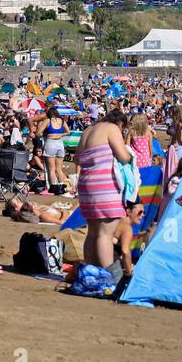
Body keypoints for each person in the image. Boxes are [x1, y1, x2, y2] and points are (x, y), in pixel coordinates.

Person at [76, 108, 134, 272]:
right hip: (104, 185)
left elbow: (77, 158)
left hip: (86, 185)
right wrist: (130, 155)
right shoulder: (112, 128)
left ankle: (90, 274)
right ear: (120, 123)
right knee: (105, 234)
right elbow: (123, 156)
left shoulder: (88, 130)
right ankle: (108, 277)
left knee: (93, 232)